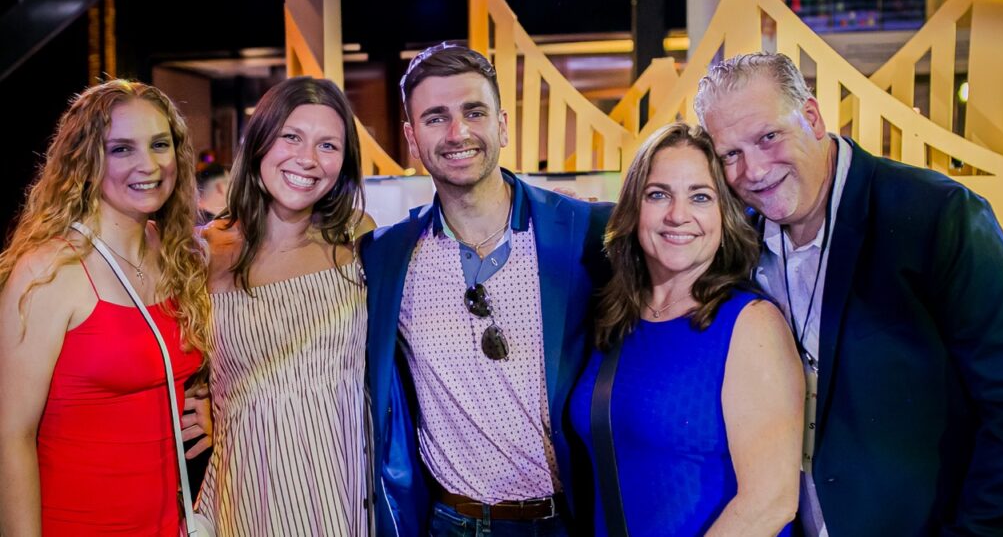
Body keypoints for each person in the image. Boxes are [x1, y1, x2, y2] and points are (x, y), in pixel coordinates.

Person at [694, 52, 1003, 536]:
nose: (754, 169)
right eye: (731, 155)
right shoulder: (737, 242)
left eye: (768, 137)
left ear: (811, 118)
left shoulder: (936, 215)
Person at [360, 43, 613, 536]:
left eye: (473, 112)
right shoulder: (385, 257)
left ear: (502, 123)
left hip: (573, 520)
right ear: (412, 138)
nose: (458, 133)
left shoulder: (587, 232)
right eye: (436, 118)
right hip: (454, 522)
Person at [568, 121, 803, 536]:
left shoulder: (751, 325)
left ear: (724, 214)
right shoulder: (616, 314)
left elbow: (770, 502)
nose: (679, 215)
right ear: (634, 209)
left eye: (700, 197)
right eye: (658, 194)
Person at [0, 80, 211, 535]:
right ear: (86, 161)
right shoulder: (49, 270)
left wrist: (208, 398)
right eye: (121, 149)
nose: (149, 165)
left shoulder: (174, 254)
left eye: (160, 144)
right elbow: (9, 437)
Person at [197, 76, 375, 536]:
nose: (308, 159)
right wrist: (198, 397)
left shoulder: (358, 239)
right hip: (248, 486)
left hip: (343, 481)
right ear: (259, 142)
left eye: (328, 145)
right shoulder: (207, 251)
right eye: (291, 136)